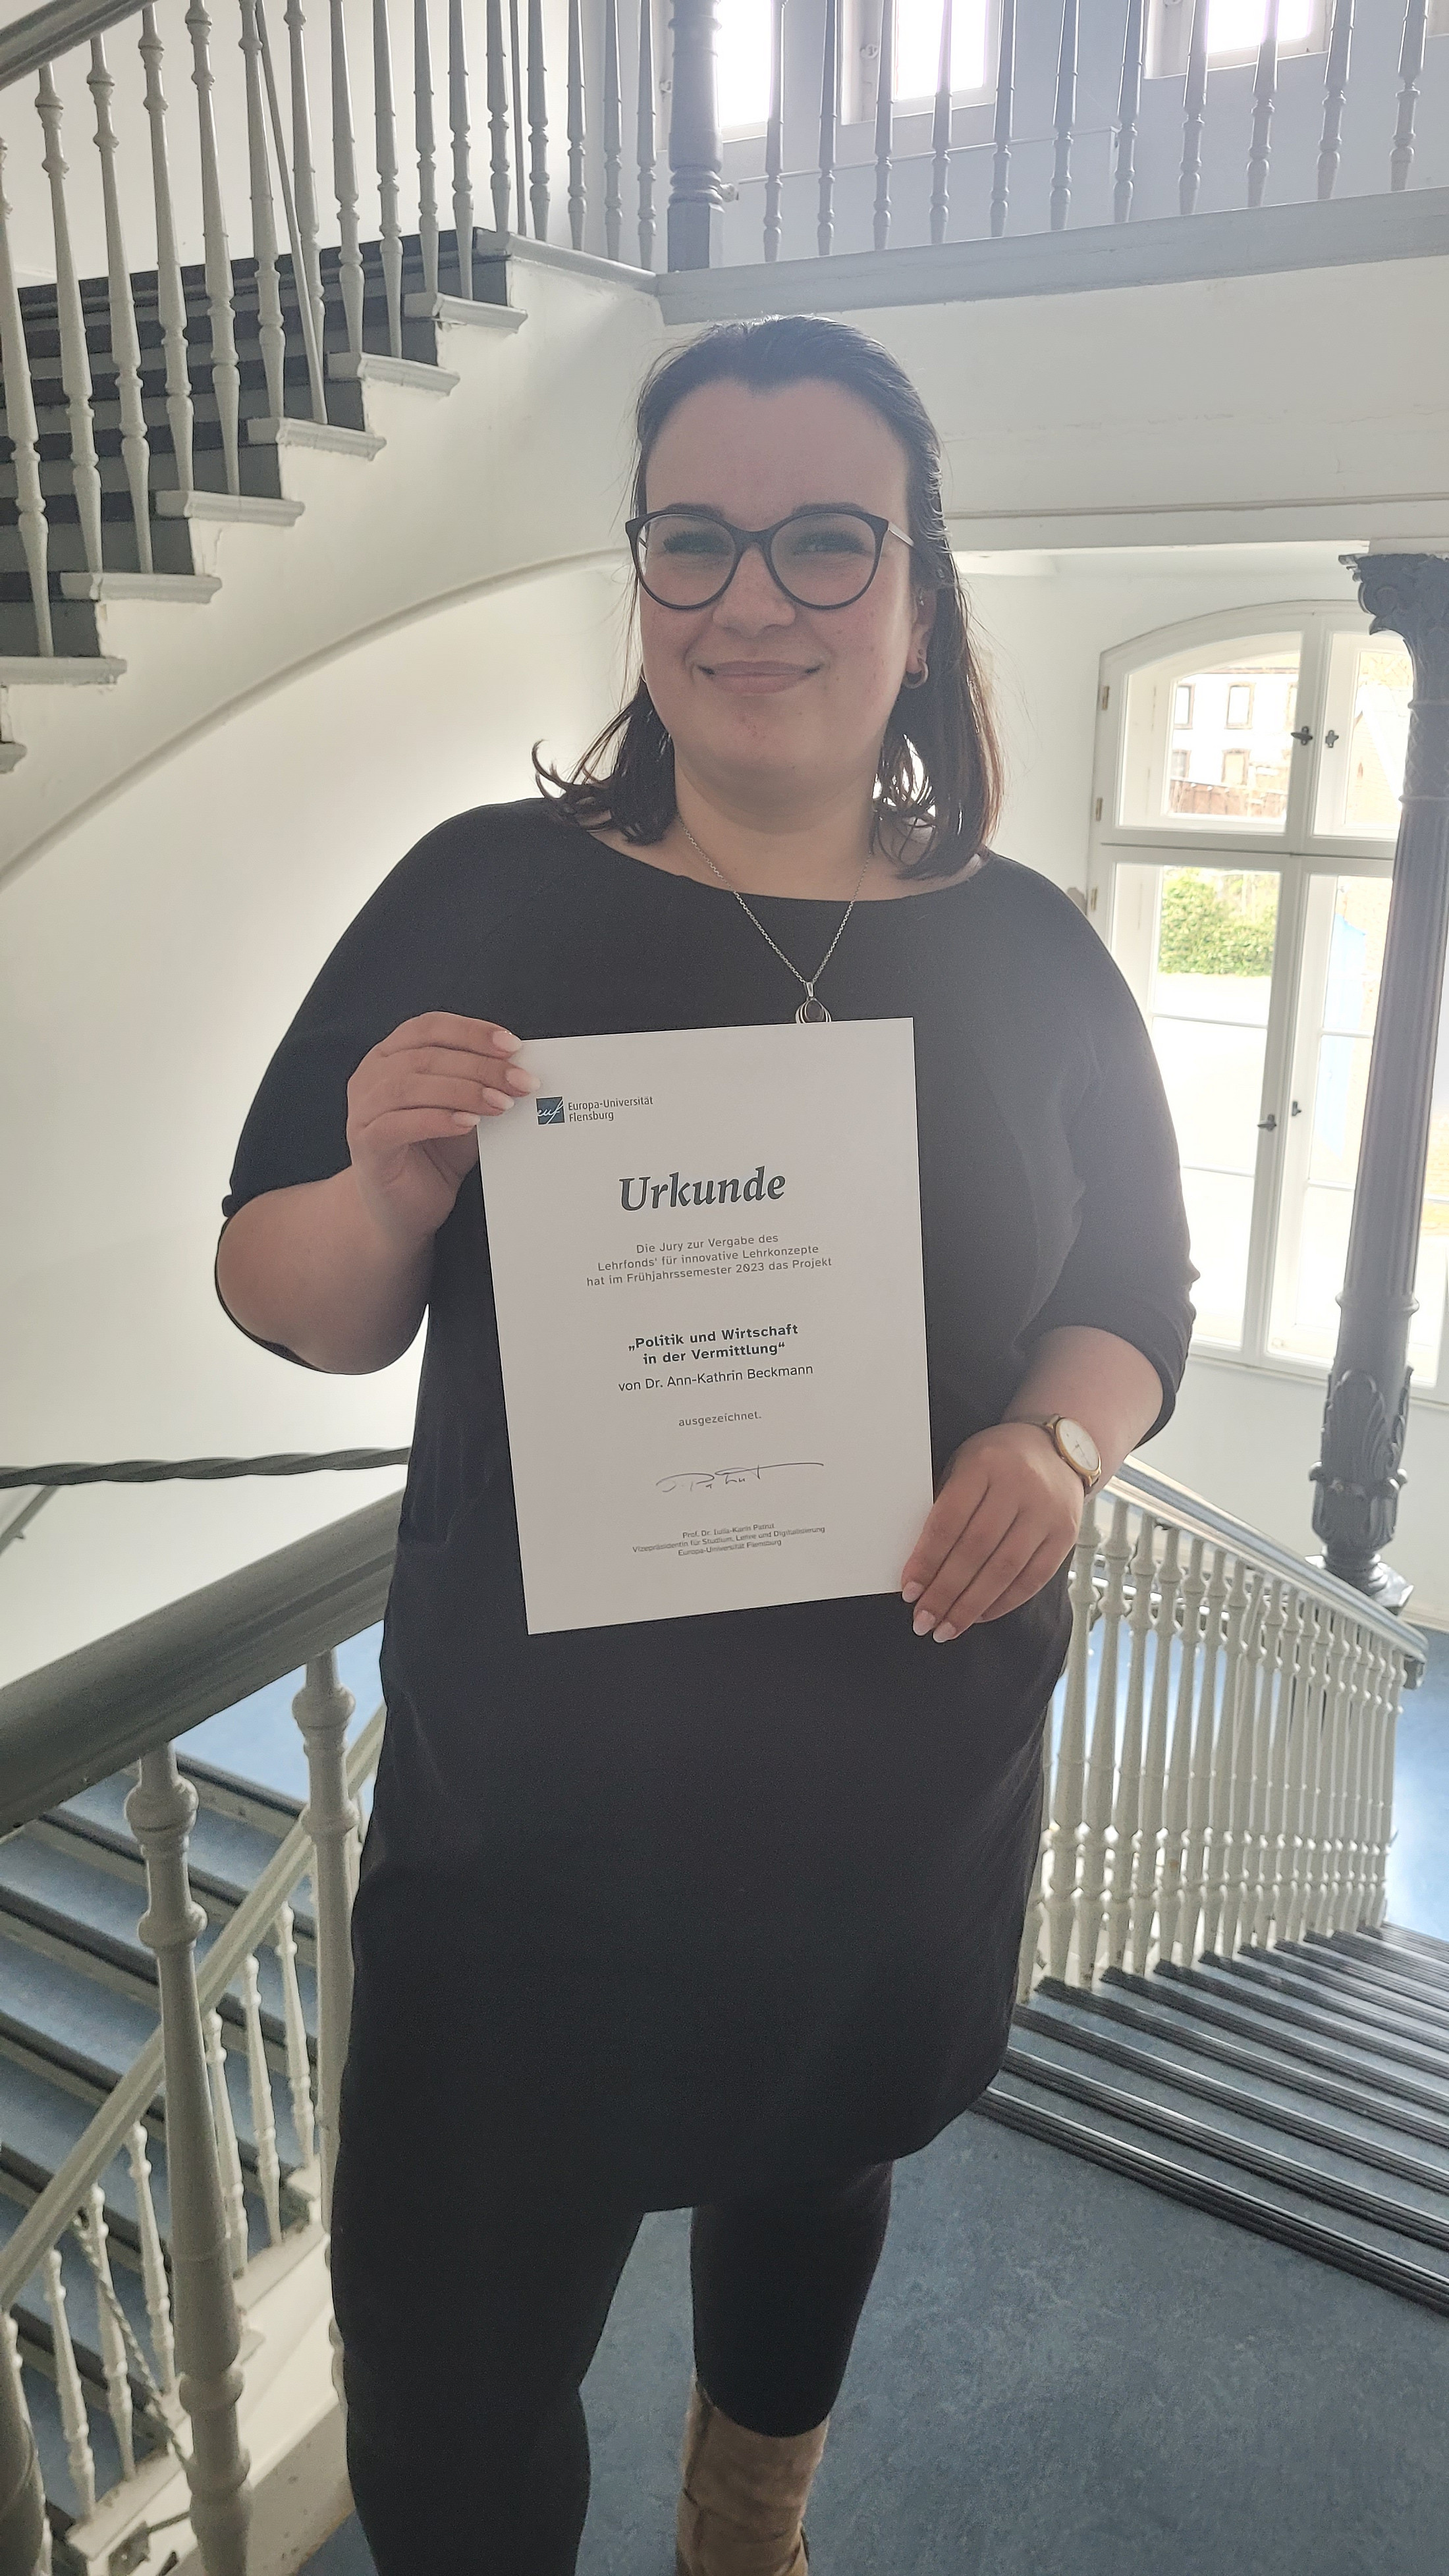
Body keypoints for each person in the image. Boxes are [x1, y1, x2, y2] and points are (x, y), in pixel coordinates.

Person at [214, 313, 1197, 2575]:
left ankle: (746, 2525)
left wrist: (1057, 1450)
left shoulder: (1039, 956)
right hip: (532, 1846)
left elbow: (1135, 1297)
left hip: (894, 1806)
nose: (755, 598)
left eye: (828, 540)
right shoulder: (481, 891)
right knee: (449, 2412)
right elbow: (291, 1298)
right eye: (696, 538)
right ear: (642, 576)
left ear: (921, 598)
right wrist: (384, 1191)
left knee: (812, 2184)